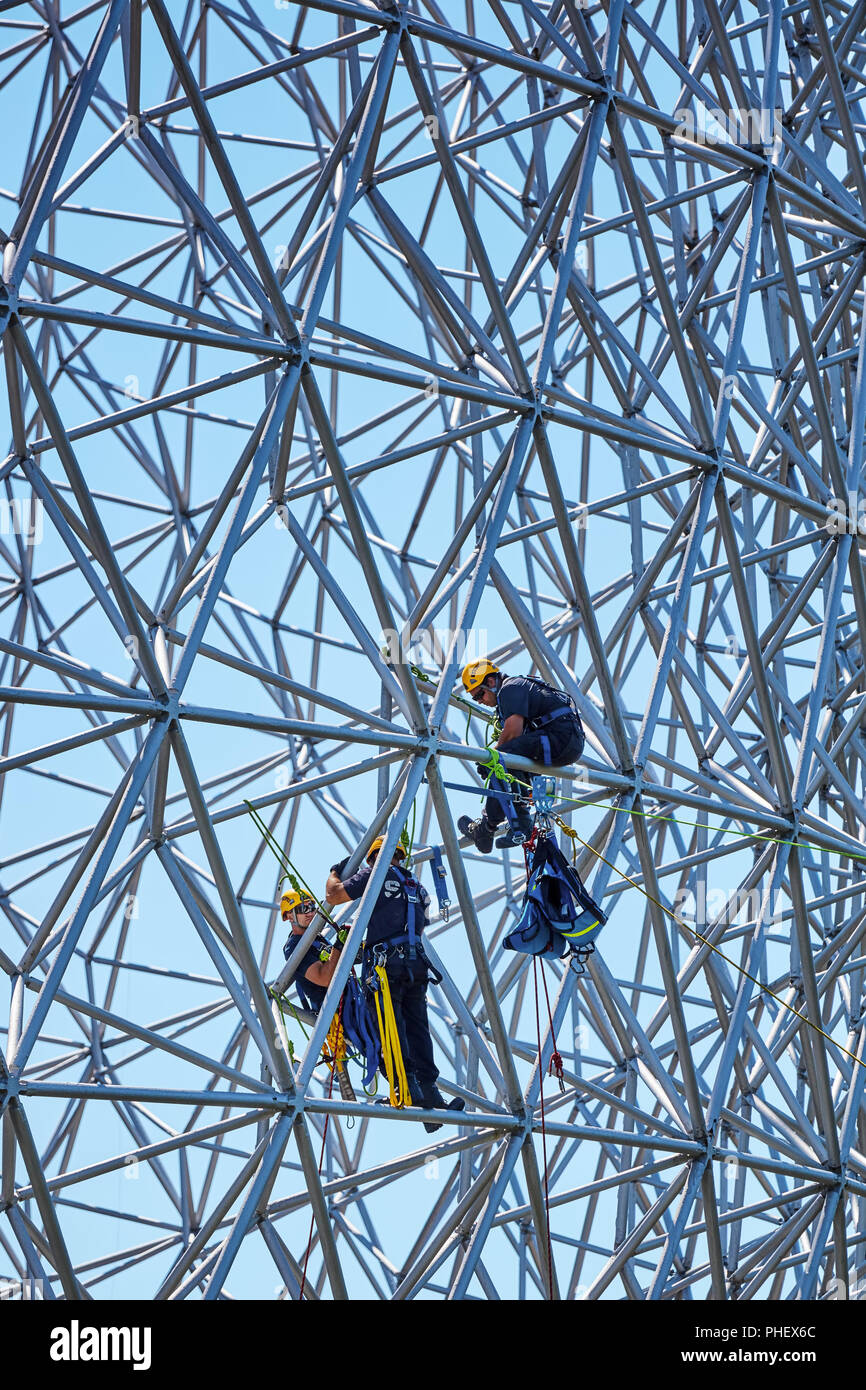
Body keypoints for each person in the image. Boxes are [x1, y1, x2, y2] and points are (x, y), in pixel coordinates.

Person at [326, 838, 465, 1133]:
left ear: (375, 857)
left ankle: (409, 1090)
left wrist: (335, 871)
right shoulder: (416, 885)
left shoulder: (376, 873)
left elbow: (334, 895)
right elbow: (410, 923)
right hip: (416, 967)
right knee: (418, 1031)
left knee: (389, 1030)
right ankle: (433, 1098)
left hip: (386, 969)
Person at [458, 660, 585, 853]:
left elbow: (513, 732)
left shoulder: (511, 688)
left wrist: (490, 758)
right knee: (505, 763)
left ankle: (513, 824)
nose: (480, 701)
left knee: (501, 759)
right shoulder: (513, 694)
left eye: (479, 695)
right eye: (476, 700)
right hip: (560, 741)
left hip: (561, 739)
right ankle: (489, 826)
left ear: (491, 682)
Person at [280, 890, 346, 1015]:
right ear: (289, 916)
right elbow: (324, 978)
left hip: (352, 1001)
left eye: (312, 907)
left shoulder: (317, 938)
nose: (310, 913)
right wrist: (339, 946)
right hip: (337, 1013)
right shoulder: (294, 947)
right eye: (303, 909)